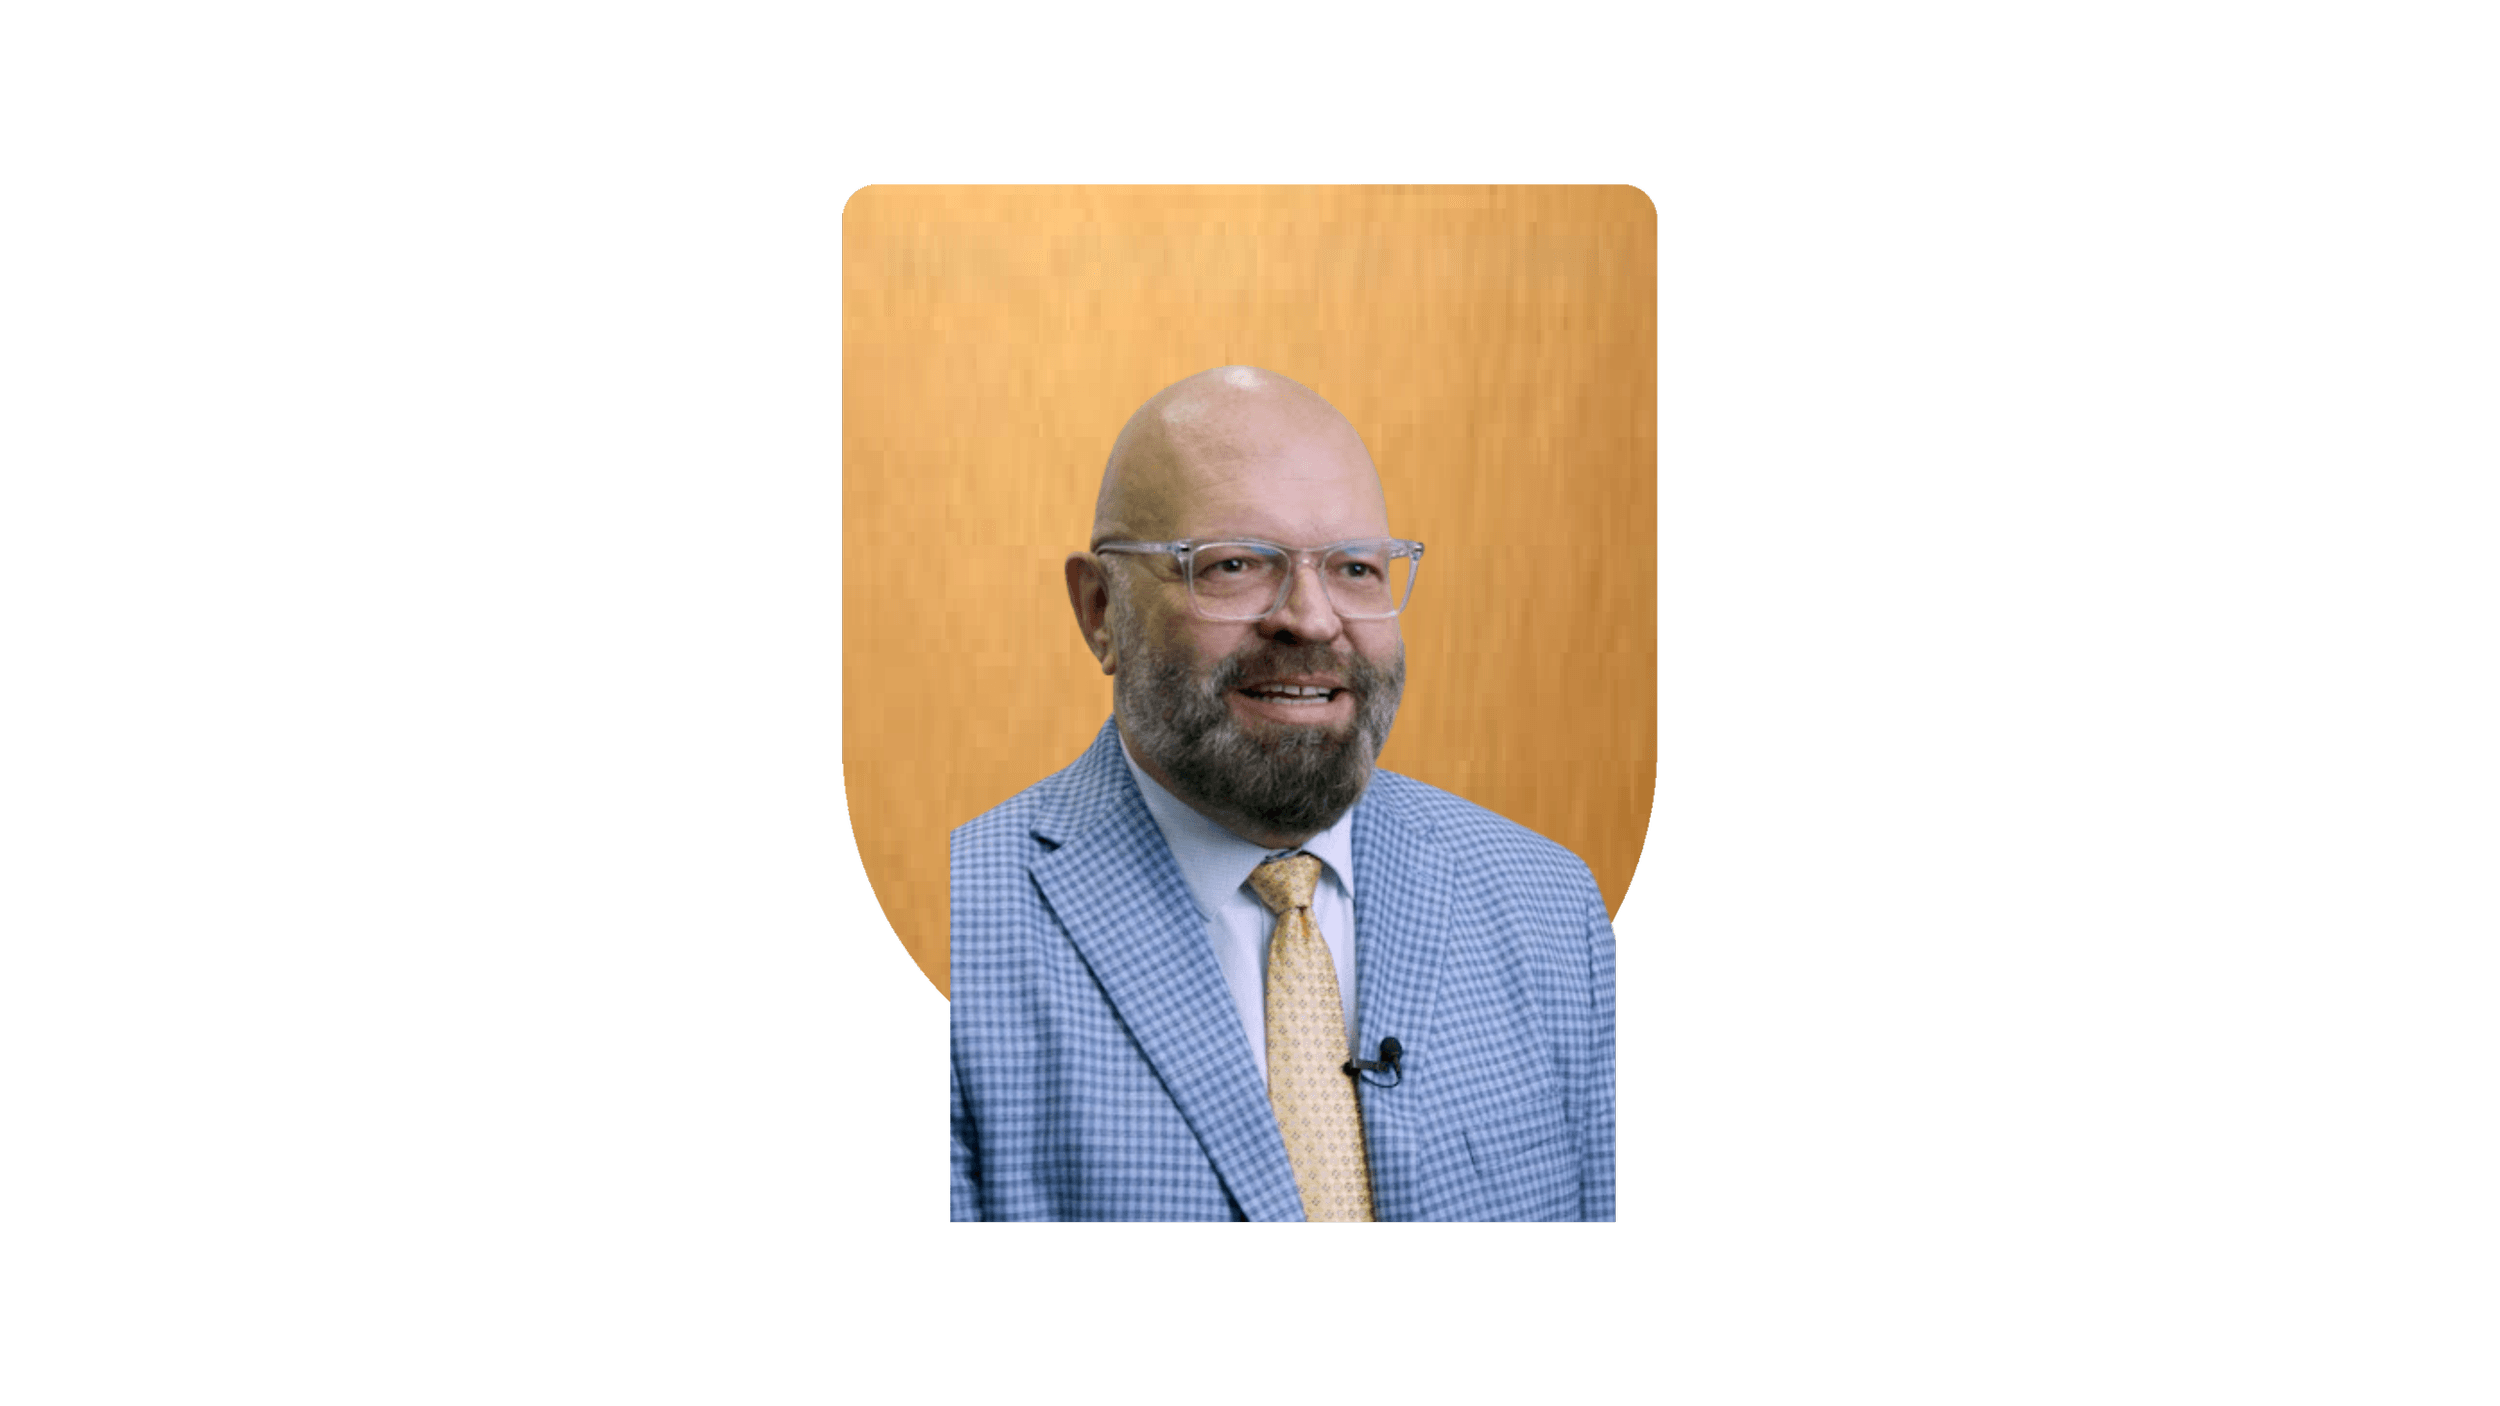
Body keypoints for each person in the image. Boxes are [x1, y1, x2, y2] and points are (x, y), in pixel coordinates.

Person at [948, 367, 1616, 1221]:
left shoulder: (1552, 910)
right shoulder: (959, 935)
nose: (1312, 617)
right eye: (1234, 565)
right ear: (1100, 610)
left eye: (1355, 569)